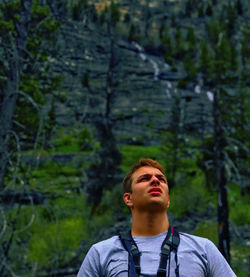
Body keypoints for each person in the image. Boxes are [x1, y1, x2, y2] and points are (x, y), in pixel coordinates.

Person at [77, 158, 236, 277]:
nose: (155, 181)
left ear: (168, 200)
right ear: (128, 198)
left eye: (161, 179)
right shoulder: (100, 253)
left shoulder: (203, 249)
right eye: (144, 179)